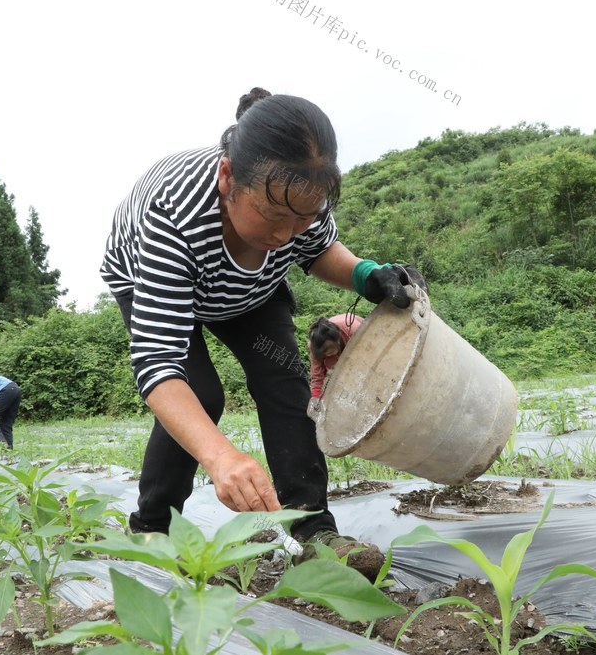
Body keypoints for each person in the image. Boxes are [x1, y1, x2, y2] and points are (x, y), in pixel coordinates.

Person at [99, 87, 427, 576]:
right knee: (200, 394)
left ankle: (314, 529)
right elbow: (157, 362)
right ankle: (153, 532)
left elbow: (318, 251)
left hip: (251, 291)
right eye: (274, 217)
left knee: (284, 381)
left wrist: (365, 274)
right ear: (227, 177)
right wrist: (221, 457)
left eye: (303, 218)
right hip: (152, 276)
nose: (285, 234)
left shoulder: (298, 194)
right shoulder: (173, 215)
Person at [308, 314, 364, 399]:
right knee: (332, 370)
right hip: (338, 346)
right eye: (325, 353)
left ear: (337, 341)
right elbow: (317, 375)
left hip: (359, 340)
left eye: (330, 351)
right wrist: (316, 397)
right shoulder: (314, 347)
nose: (327, 354)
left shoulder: (353, 331)